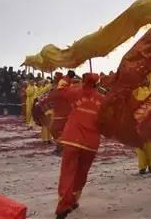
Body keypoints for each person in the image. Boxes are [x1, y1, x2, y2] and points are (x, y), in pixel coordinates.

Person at [55, 73, 104, 219]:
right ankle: (74, 200)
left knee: (68, 172)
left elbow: (61, 87)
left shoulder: (75, 92)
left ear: (83, 81)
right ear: (97, 84)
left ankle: (64, 204)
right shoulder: (103, 99)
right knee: (82, 173)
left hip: (72, 139)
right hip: (91, 142)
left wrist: (67, 77)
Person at [133, 71, 151, 174]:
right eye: (143, 78)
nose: (145, 80)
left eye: (147, 78)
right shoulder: (136, 91)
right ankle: (142, 167)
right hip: (139, 121)